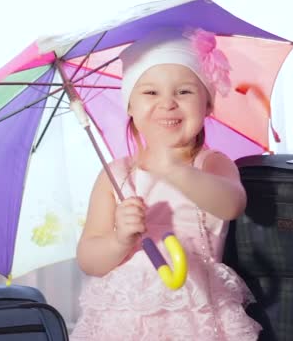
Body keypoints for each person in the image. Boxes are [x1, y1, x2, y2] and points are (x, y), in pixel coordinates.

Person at [70, 26, 262, 340]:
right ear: (130, 106)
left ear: (208, 104)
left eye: (184, 91)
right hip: (124, 320)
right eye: (150, 92)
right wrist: (120, 240)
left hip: (195, 314)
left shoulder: (210, 164)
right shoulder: (115, 176)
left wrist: (176, 171)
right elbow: (89, 259)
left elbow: (231, 204)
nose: (168, 103)